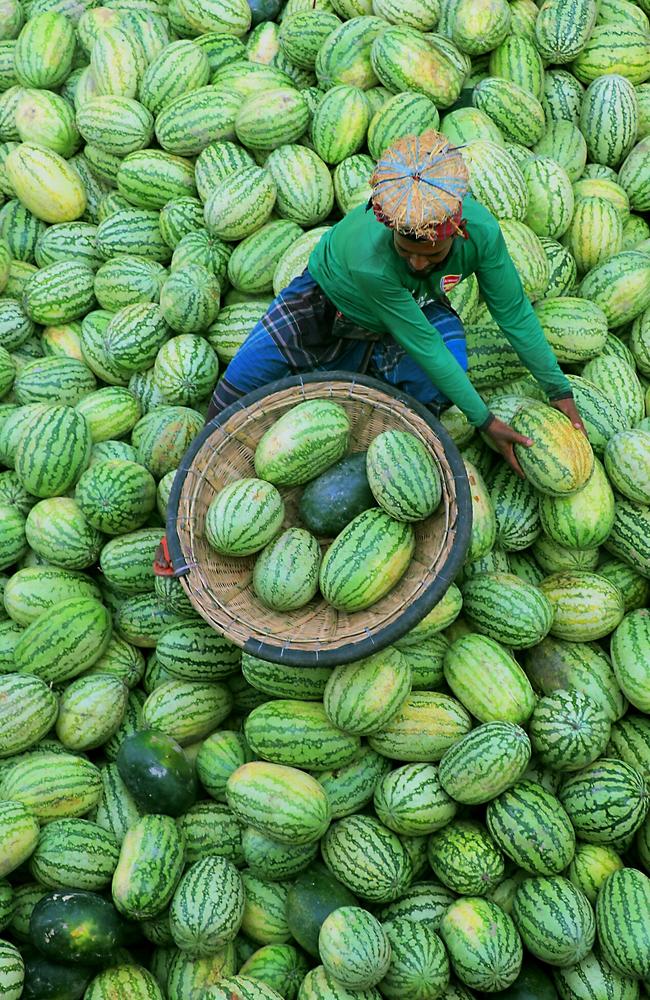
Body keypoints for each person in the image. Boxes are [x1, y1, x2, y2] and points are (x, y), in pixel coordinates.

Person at [205, 129, 583, 478]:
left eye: (432, 255)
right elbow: (424, 343)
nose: (418, 263)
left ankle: (375, 445)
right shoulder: (369, 258)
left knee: (440, 378)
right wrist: (484, 420)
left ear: (458, 229)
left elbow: (514, 313)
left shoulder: (481, 234)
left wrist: (557, 388)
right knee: (236, 394)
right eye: (407, 252)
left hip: (413, 306)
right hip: (328, 302)